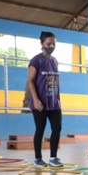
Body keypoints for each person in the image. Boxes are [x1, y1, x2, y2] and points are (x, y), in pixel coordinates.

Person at [27, 31, 63, 167]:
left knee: (57, 128)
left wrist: (57, 99)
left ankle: (53, 158)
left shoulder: (54, 61)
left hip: (54, 103)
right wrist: (35, 100)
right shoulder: (36, 60)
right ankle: (38, 159)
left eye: (53, 43)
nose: (51, 46)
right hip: (40, 103)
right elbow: (30, 81)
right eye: (49, 43)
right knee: (40, 129)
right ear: (42, 44)